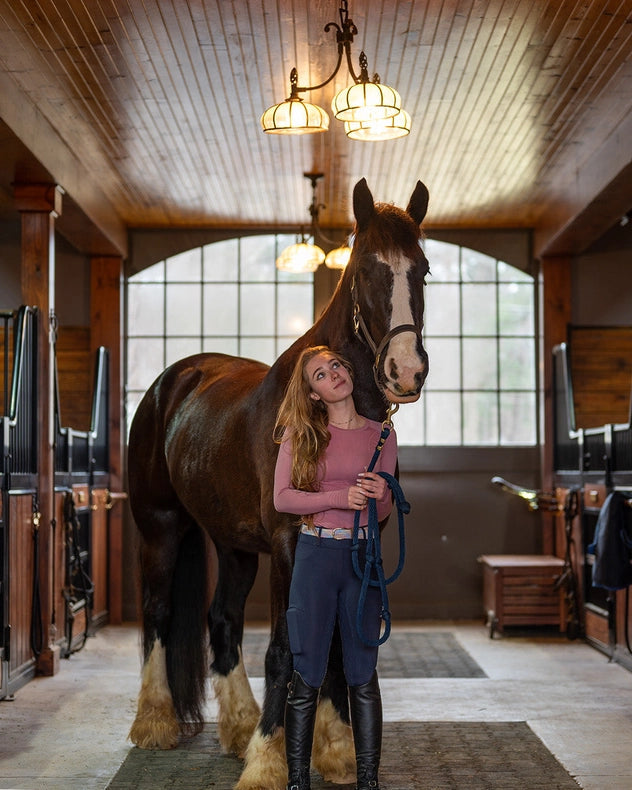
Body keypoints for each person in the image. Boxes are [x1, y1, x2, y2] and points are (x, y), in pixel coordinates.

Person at [273, 345, 398, 790]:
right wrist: (337, 497)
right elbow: (283, 499)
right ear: (313, 393)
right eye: (320, 375)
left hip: (363, 558)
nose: (333, 375)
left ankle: (368, 781)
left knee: (363, 673)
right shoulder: (300, 433)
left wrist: (381, 491)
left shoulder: (381, 434)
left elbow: (382, 513)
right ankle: (297, 783)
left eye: (336, 366)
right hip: (316, 556)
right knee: (306, 673)